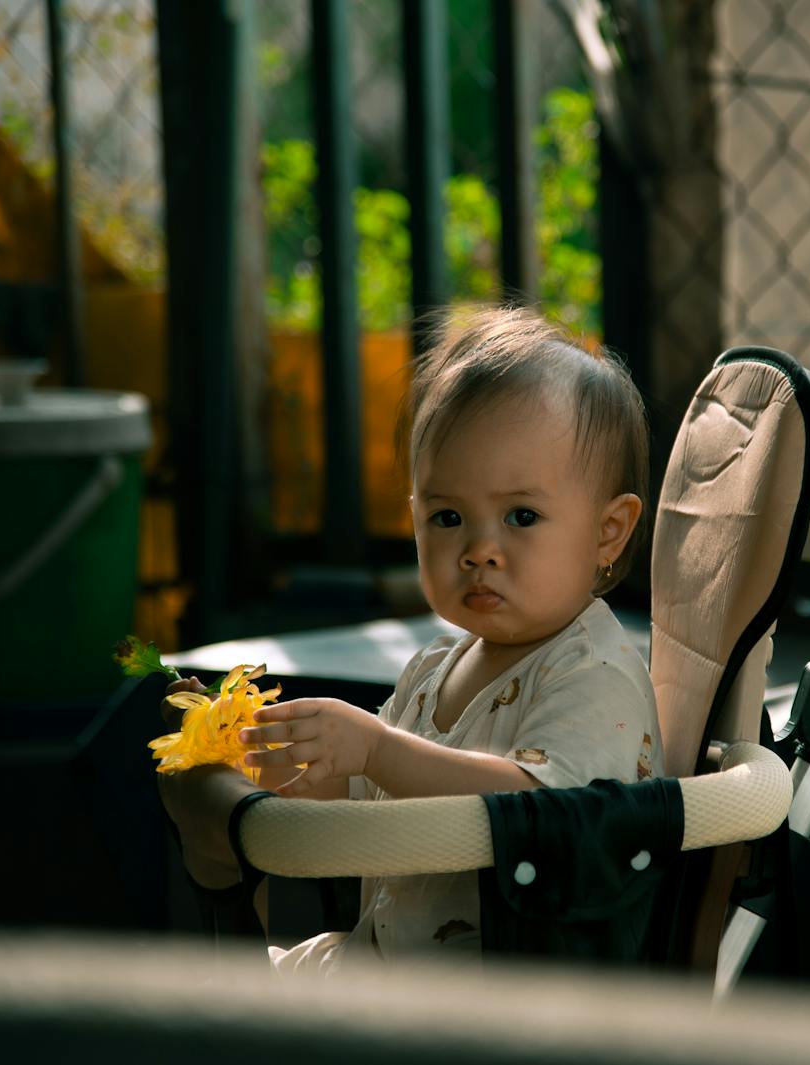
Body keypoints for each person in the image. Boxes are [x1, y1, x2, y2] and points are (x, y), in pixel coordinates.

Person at [161, 306, 661, 973]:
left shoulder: (595, 675)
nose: (480, 548)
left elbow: (544, 816)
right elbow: (374, 796)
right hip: (382, 966)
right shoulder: (435, 666)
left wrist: (374, 746)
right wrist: (268, 759)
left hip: (497, 1000)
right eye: (448, 516)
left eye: (522, 516)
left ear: (608, 531)